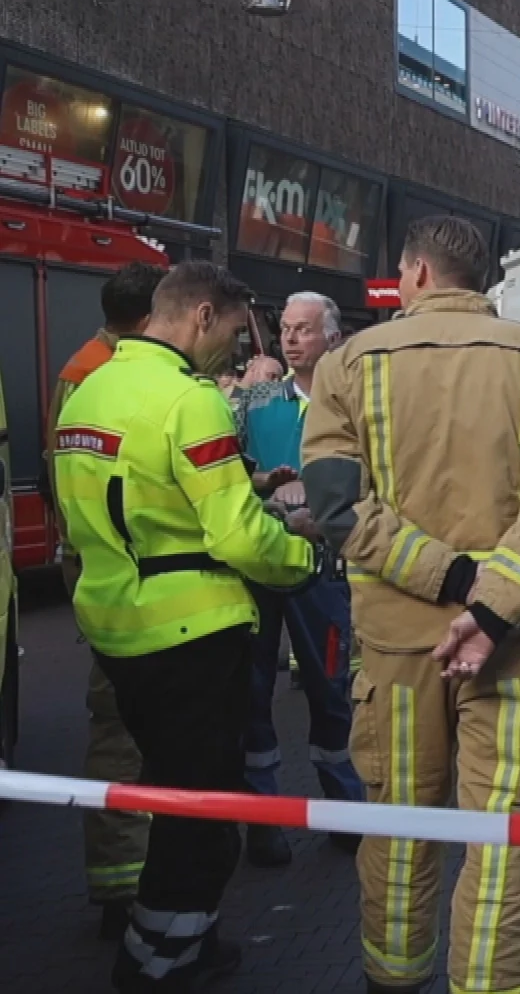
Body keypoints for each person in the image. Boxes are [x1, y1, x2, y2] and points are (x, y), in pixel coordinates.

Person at [303, 216, 520, 994]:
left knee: (400, 832)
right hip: (515, 646)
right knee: (505, 843)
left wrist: (448, 577)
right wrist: (492, 602)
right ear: (483, 279)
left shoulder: (347, 367)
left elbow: (338, 508)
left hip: (398, 653)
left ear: (418, 273)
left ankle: (394, 978)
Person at [53, 261, 318, 992]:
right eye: (233, 330)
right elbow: (236, 538)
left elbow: (135, 504)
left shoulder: (89, 388)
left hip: (116, 625)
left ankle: (181, 944)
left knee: (169, 792)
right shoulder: (189, 399)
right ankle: (158, 959)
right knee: (198, 810)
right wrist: (304, 554)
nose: (237, 348)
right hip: (192, 635)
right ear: (202, 316)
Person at [43, 261, 168, 940]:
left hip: (93, 563)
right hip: (129, 567)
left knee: (119, 719)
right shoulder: (124, 375)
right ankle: (131, 883)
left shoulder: (78, 369)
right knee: (127, 725)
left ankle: (124, 876)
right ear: (152, 315)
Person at [232, 292, 366, 868]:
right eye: (285, 328)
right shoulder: (253, 402)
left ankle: (345, 809)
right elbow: (227, 473)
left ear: (332, 337)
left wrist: (324, 497)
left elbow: (378, 475)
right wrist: (264, 482)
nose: (289, 339)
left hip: (324, 570)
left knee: (331, 691)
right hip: (259, 566)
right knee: (252, 695)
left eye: (303, 329)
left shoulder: (356, 403)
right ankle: (263, 823)